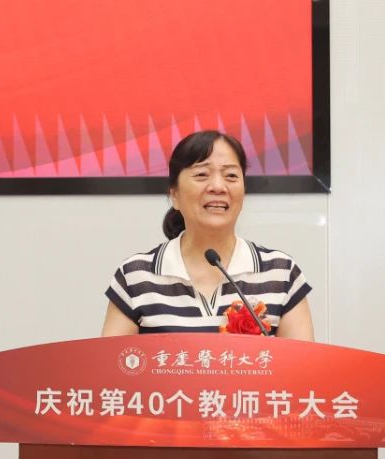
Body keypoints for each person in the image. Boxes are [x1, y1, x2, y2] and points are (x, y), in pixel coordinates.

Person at [101, 130, 315, 339]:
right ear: (174, 195)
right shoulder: (136, 277)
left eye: (231, 176)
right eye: (201, 175)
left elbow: (302, 362)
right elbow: (112, 361)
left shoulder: (281, 273)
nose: (218, 187)